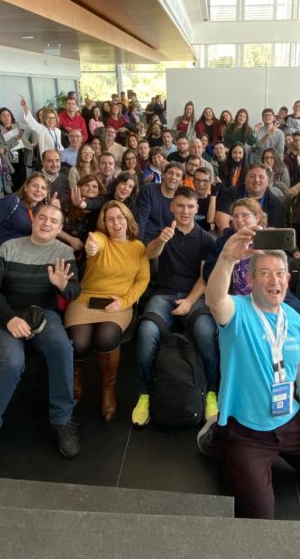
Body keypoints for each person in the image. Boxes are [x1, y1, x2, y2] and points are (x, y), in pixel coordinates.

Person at [200, 227, 300, 519]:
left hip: (289, 422)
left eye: (280, 273)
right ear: (250, 280)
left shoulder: (296, 321)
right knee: (261, 517)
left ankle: (257, 448)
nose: (274, 279)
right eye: (264, 273)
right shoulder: (236, 312)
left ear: (288, 279)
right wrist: (226, 258)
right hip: (246, 431)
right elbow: (214, 300)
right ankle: (219, 438)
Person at [0, 203, 80, 473]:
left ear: (60, 229)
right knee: (11, 363)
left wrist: (63, 286)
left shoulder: (64, 252)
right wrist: (9, 318)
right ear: (34, 221)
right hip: (5, 314)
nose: (47, 223)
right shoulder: (9, 247)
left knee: (62, 348)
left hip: (42, 314)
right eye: (42, 218)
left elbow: (73, 293)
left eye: (54, 221)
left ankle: (62, 419)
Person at [132, 188, 219, 427]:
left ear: (197, 208)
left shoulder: (205, 239)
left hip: (194, 296)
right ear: (172, 207)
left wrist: (190, 301)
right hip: (164, 294)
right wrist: (161, 240)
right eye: (180, 206)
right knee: (147, 330)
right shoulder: (165, 232)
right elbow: (149, 254)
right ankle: (144, 394)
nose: (185, 211)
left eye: (190, 207)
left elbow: (204, 278)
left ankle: (211, 392)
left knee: (206, 332)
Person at [65, 201, 150, 421]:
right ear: (104, 223)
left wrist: (124, 302)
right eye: (109, 218)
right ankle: (76, 378)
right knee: (79, 342)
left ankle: (108, 389)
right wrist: (91, 246)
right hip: (85, 299)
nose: (115, 223)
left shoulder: (138, 247)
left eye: (120, 217)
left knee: (106, 338)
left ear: (128, 219)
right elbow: (94, 246)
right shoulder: (99, 238)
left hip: (118, 302)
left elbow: (142, 280)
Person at [0, 172, 50, 257]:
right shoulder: (12, 201)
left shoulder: (40, 211)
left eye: (43, 188)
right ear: (26, 187)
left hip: (18, 257)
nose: (39, 190)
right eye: (35, 186)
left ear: (46, 193)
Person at [214, 163, 286, 231]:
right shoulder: (231, 193)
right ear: (245, 179)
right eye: (252, 176)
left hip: (261, 241)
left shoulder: (275, 203)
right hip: (233, 237)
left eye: (261, 177)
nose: (256, 180)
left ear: (267, 181)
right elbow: (221, 220)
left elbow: (274, 231)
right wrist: (234, 238)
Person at [137, 161, 183, 243]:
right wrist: (138, 243)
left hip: (168, 242)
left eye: (178, 175)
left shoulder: (181, 201)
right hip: (147, 240)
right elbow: (141, 220)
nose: (173, 177)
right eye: (170, 173)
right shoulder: (148, 190)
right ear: (163, 175)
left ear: (181, 182)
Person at [0, 107, 31, 193]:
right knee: (10, 180)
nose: (6, 117)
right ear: (0, 118)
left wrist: (8, 137)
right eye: (3, 115)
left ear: (11, 116)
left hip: (18, 154)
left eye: (8, 115)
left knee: (21, 179)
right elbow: (0, 143)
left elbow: (21, 140)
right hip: (6, 157)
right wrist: (13, 138)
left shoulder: (18, 126)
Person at [20, 95, 64, 160]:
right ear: (45, 119)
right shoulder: (42, 129)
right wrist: (25, 108)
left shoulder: (58, 131)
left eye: (53, 118)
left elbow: (59, 145)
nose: (51, 120)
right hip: (47, 159)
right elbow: (31, 121)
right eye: (48, 118)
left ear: (56, 118)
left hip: (57, 158)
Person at [191, 167, 216, 231]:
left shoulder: (213, 201)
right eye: (198, 180)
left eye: (205, 181)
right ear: (193, 181)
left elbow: (210, 221)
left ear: (210, 182)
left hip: (205, 235)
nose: (201, 184)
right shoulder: (187, 199)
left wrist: (214, 194)